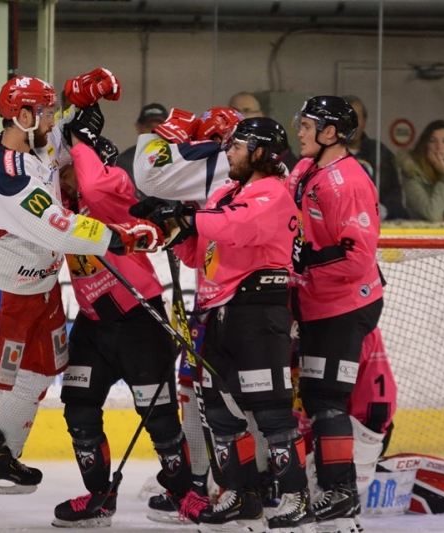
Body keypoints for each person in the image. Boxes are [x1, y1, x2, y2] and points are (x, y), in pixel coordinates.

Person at [0, 73, 164, 530]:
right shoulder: (6, 172)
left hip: (42, 291)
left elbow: (70, 137)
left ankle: (2, 458)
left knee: (38, 373)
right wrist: (119, 237)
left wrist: (86, 102)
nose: (52, 120)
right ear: (22, 116)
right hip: (3, 295)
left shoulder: (32, 141)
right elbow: (58, 225)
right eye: (46, 112)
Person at [149, 117, 313, 531]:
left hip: (259, 313)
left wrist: (189, 217)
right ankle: (238, 495)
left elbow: (234, 227)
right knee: (219, 413)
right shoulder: (226, 191)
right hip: (216, 314)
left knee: (273, 413)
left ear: (260, 153)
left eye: (238, 146)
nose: (229, 152)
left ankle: (297, 497)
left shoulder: (273, 193)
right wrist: (174, 226)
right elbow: (201, 252)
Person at [51, 128, 193, 528]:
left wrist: (78, 144)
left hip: (139, 318)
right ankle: (99, 499)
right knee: (78, 411)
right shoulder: (61, 204)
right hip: (93, 324)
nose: (57, 173)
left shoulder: (111, 183)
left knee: (160, 418)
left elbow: (93, 186)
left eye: (63, 166)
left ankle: (185, 497)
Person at [285, 96, 384, 532]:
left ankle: (341, 493)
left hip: (346, 305)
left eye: (307, 125)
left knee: (326, 398)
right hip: (317, 303)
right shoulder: (307, 170)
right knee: (315, 396)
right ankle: (329, 488)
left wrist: (302, 264)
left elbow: (357, 256)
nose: (300, 131)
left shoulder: (349, 182)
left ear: (330, 133)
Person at [341, 95, 408, 220]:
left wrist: (384, 210)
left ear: (365, 121)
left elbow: (394, 192)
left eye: (356, 117)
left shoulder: (379, 152)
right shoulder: (325, 154)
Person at [114, 102, 168, 185]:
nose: (154, 132)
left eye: (160, 127)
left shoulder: (181, 160)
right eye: (149, 127)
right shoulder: (123, 163)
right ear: (138, 128)